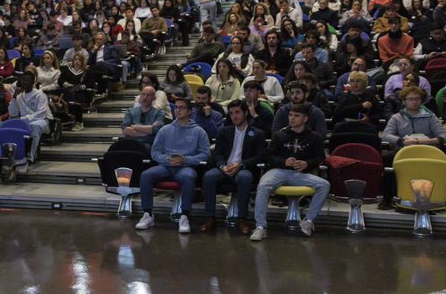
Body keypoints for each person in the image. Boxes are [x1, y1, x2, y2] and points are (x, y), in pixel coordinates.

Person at [250, 103, 330, 242]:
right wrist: (284, 161)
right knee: (263, 186)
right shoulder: (280, 135)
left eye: (296, 116)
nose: (292, 118)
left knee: (324, 185)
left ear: (305, 119)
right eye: (290, 115)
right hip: (279, 170)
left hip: (302, 174)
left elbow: (320, 158)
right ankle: (260, 227)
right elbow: (268, 157)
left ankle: (309, 221)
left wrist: (307, 163)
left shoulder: (314, 137)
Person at [135, 96, 211, 233]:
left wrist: (185, 159)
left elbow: (205, 154)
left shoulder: (199, 131)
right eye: (176, 107)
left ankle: (184, 216)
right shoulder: (165, 129)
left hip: (186, 167)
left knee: (188, 177)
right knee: (146, 175)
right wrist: (167, 159)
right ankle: (147, 214)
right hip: (166, 165)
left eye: (182, 107)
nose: (178, 110)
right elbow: (155, 152)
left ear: (190, 111)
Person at [201, 100, 266, 234]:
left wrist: (241, 164)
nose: (234, 116)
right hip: (225, 168)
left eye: (237, 112)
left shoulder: (257, 133)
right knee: (209, 176)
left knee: (245, 177)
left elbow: (260, 157)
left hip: (243, 168)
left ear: (246, 113)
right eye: (231, 113)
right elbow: (217, 154)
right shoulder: (224, 131)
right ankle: (210, 218)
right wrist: (222, 166)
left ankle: (242, 219)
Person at [7, 72, 51, 162]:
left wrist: (25, 119)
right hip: (24, 121)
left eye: (27, 81)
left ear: (32, 82)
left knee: (35, 126)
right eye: (23, 81)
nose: (25, 83)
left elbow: (42, 113)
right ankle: (12, 156)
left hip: (43, 120)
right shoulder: (19, 96)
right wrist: (14, 97)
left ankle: (29, 156)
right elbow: (12, 113)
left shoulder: (40, 95)